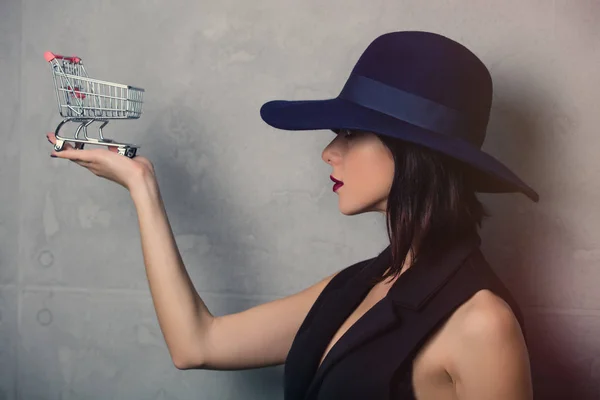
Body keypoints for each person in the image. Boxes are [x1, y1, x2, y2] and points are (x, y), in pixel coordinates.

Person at [47, 31, 537, 399]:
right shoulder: (357, 285)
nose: (328, 152)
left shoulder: (481, 323)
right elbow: (197, 343)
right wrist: (143, 187)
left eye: (348, 133)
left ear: (413, 151)